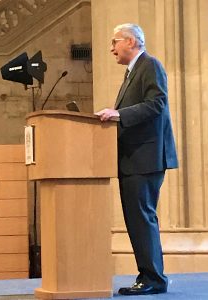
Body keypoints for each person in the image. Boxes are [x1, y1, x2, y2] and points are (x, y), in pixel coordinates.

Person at [95, 23, 178, 296]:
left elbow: (157, 104)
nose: (111, 48)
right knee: (137, 219)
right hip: (133, 159)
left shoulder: (150, 65)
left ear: (130, 41)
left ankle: (153, 278)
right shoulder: (133, 72)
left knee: (142, 218)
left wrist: (118, 114)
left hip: (146, 157)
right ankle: (147, 275)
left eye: (115, 42)